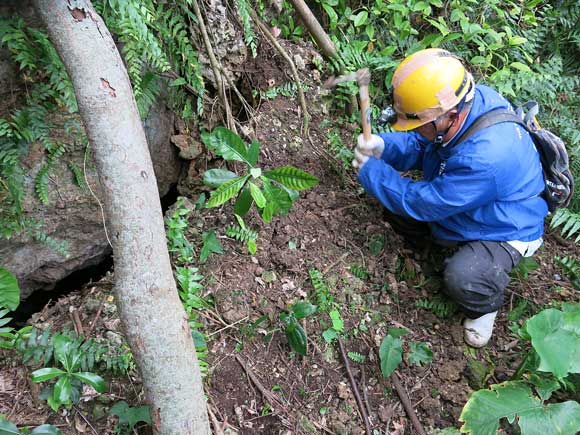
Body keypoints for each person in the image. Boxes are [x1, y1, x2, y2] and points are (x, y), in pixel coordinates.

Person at [352, 48, 547, 347]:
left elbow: (425, 202)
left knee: (464, 277)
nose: (415, 129)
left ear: (450, 118)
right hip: (472, 200)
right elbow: (421, 142)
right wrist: (383, 146)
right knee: (397, 206)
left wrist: (372, 173)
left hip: (506, 225)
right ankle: (439, 241)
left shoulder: (487, 157)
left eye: (418, 124)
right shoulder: (461, 101)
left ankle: (484, 304)